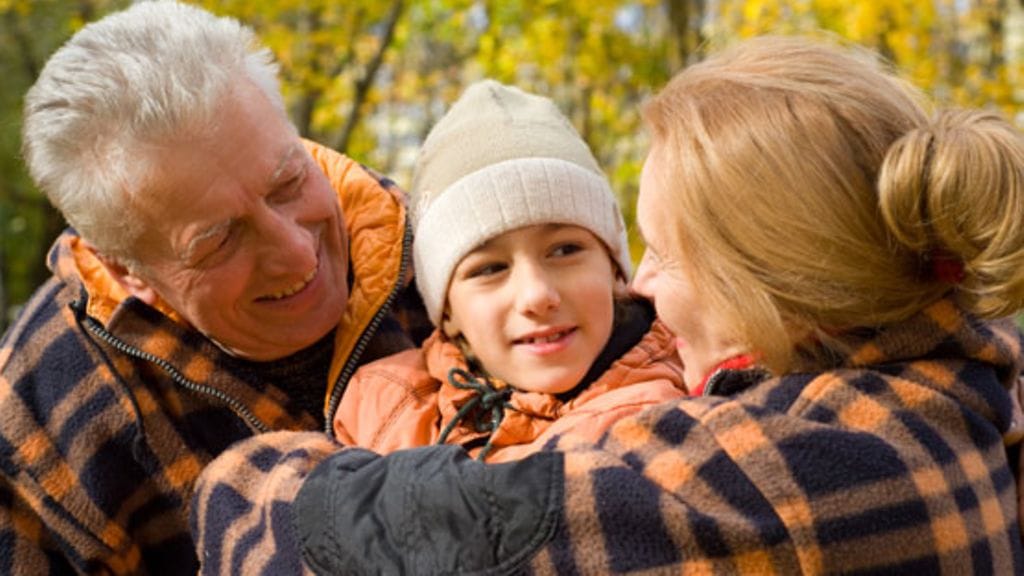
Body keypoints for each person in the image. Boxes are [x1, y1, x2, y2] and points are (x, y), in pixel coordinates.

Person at [191, 35, 1024, 574]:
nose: (646, 284)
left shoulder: (787, 473)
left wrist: (236, 481)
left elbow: (421, 541)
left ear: (776, 282)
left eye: (663, 251)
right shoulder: (943, 393)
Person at [0, 1, 429, 574]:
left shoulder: (466, 260)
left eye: (288, 182)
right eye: (218, 240)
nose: (296, 251)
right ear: (127, 270)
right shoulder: (35, 419)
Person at [334, 80, 686, 463]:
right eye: (489, 269)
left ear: (615, 270)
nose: (536, 295)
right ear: (446, 312)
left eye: (565, 250)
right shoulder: (381, 407)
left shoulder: (681, 401)